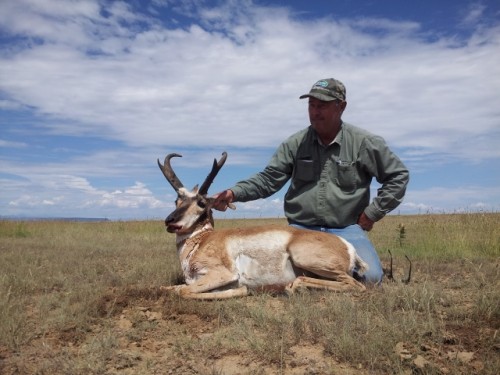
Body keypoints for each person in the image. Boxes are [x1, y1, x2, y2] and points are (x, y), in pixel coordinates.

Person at [213, 78, 409, 285]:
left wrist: (372, 213)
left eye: (322, 106)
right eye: (311, 105)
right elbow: (268, 179)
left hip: (346, 228)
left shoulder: (364, 143)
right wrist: (234, 193)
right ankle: (317, 280)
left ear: (341, 107)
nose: (315, 112)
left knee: (369, 278)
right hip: (300, 229)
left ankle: (316, 279)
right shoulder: (295, 143)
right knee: (267, 276)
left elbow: (398, 176)